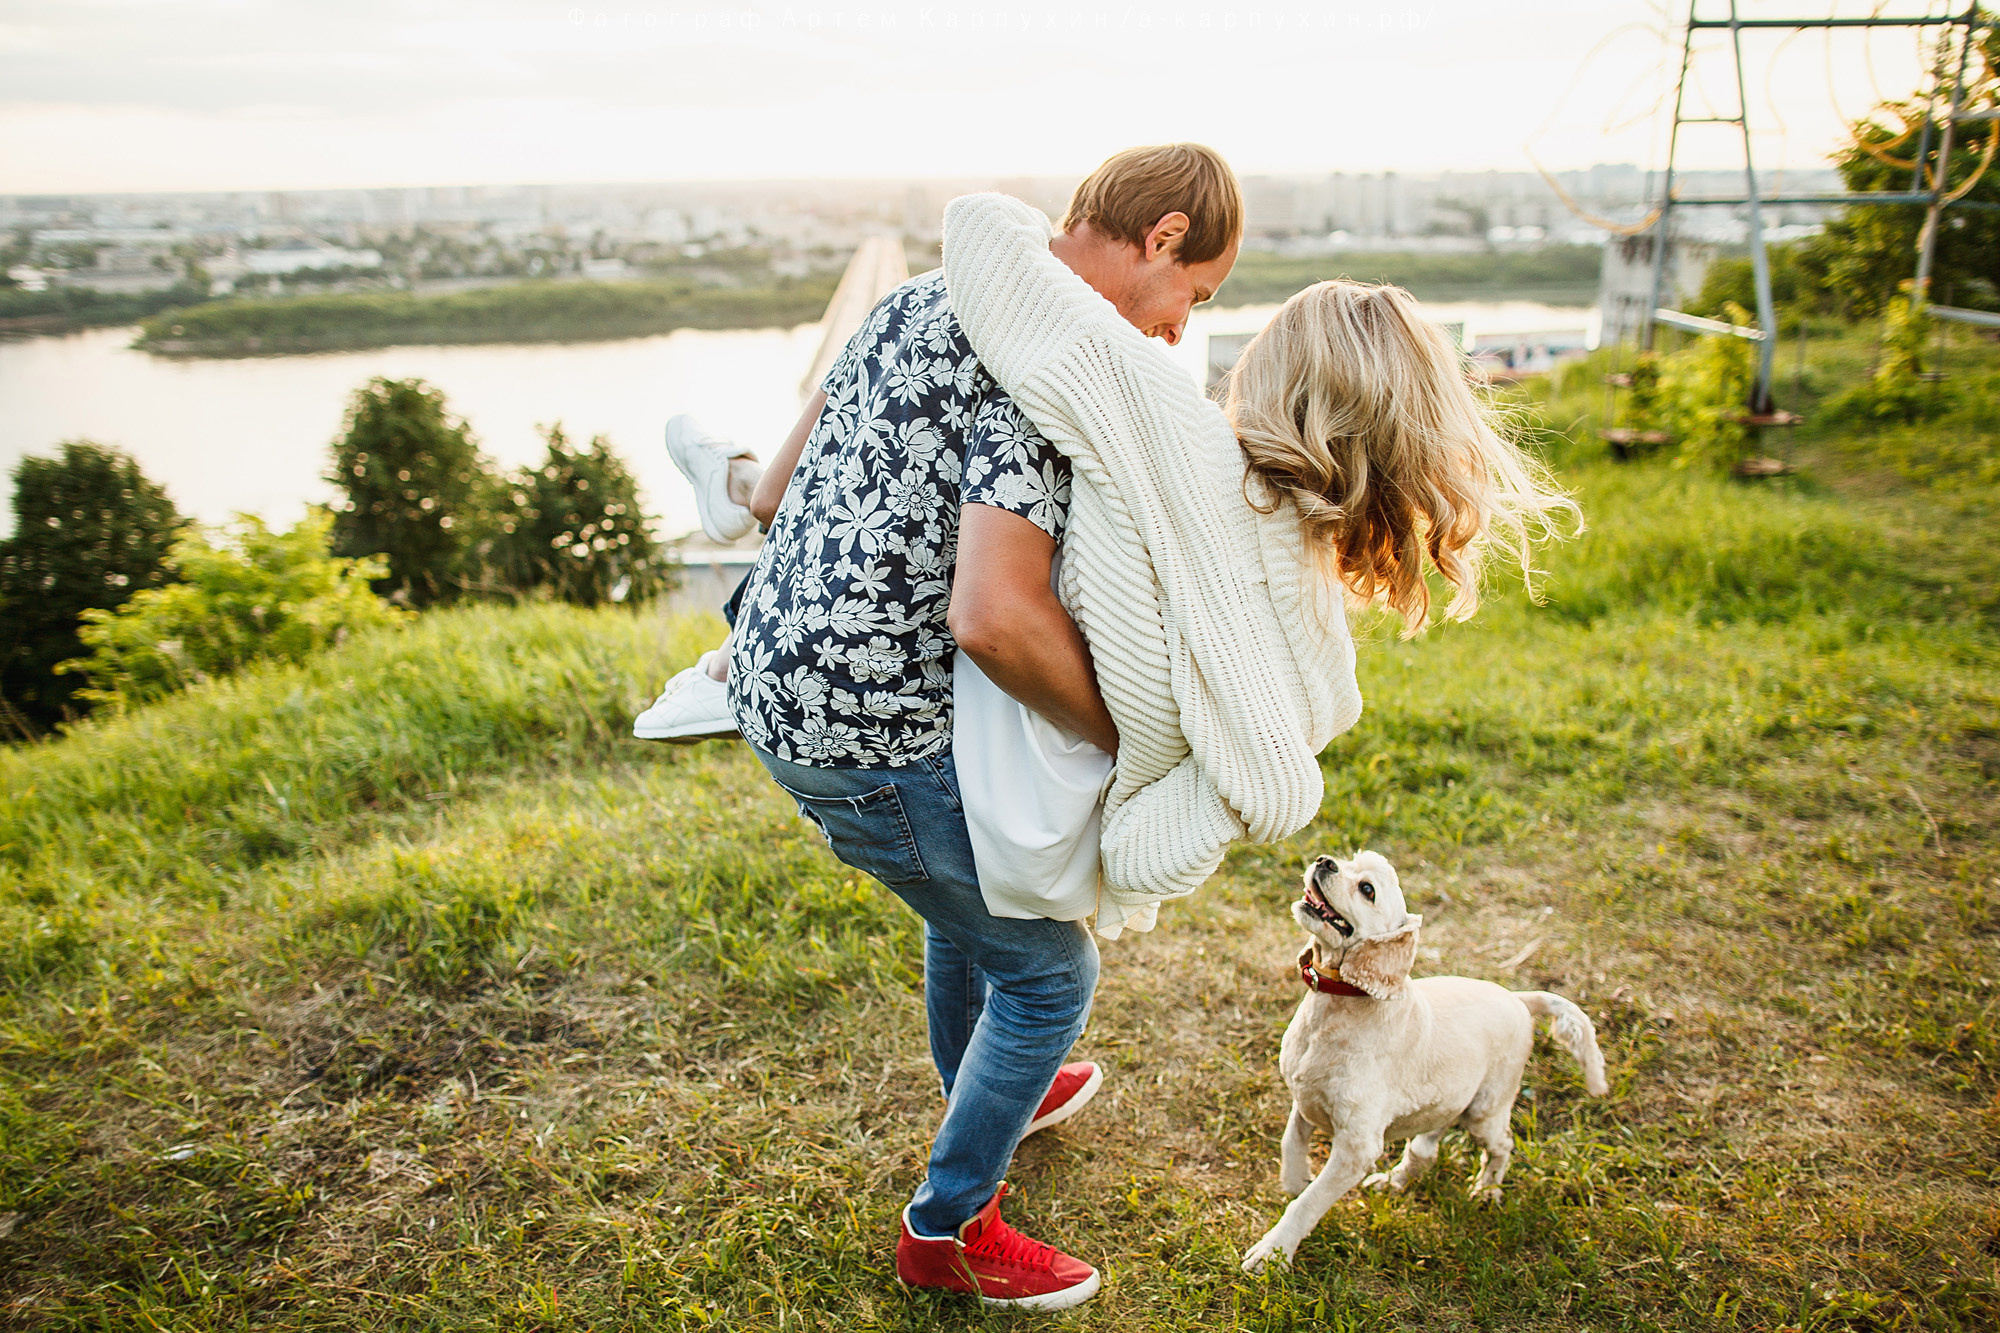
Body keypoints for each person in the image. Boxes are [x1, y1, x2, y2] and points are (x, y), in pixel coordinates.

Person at [721, 144, 1245, 1311]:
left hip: (765, 680)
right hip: (869, 737)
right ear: (1162, 236)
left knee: (977, 898)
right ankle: (947, 1228)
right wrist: (1130, 735)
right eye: (1193, 295)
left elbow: (768, 494)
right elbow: (993, 619)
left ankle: (994, 1080)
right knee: (1050, 972)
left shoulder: (920, 295)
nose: (1176, 331)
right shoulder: (1047, 362)